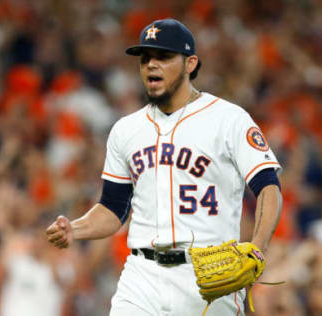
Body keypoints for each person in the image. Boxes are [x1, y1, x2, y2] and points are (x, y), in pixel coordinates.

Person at [46, 18, 283, 315]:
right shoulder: (126, 129)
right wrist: (75, 229)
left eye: (164, 57)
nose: (151, 65)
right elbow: (113, 209)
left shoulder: (229, 119)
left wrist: (258, 246)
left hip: (208, 278)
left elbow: (268, 187)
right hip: (141, 276)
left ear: (190, 64)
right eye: (145, 59)